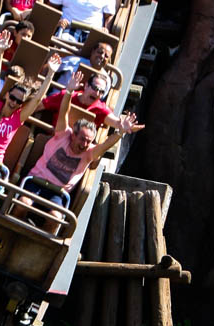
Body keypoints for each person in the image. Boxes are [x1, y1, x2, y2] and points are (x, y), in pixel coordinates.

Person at [12, 78, 142, 232]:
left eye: (88, 141)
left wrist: (121, 132)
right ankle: (12, 228)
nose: (84, 144)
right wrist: (68, 92)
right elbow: (63, 113)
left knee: (56, 218)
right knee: (23, 203)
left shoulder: (88, 153)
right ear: (73, 135)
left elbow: (107, 144)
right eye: (82, 139)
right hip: (37, 182)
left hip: (58, 193)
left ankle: (39, 244)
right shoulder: (62, 135)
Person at [0, 30, 61, 163]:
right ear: (6, 95)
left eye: (18, 101)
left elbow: (38, 99)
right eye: (12, 97)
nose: (14, 102)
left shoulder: (17, 118)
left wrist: (50, 73)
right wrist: (0, 52)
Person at [36, 71, 145, 134]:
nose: (97, 93)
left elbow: (117, 123)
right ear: (86, 86)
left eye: (101, 92)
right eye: (95, 88)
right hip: (53, 138)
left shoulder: (100, 109)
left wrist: (128, 126)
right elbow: (40, 105)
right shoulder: (67, 95)